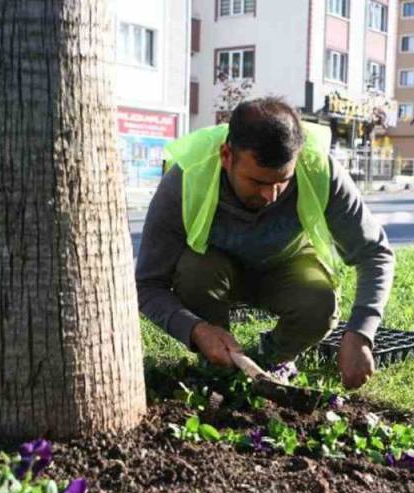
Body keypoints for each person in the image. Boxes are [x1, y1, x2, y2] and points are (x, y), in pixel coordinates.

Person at [135, 98, 394, 390]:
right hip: (214, 271)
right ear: (226, 156)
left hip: (287, 266)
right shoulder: (187, 177)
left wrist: (360, 333)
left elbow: (375, 254)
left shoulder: (318, 168)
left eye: (281, 182)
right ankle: (218, 363)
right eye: (257, 182)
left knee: (319, 302)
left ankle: (271, 361)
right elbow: (147, 284)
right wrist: (196, 330)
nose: (270, 196)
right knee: (195, 271)